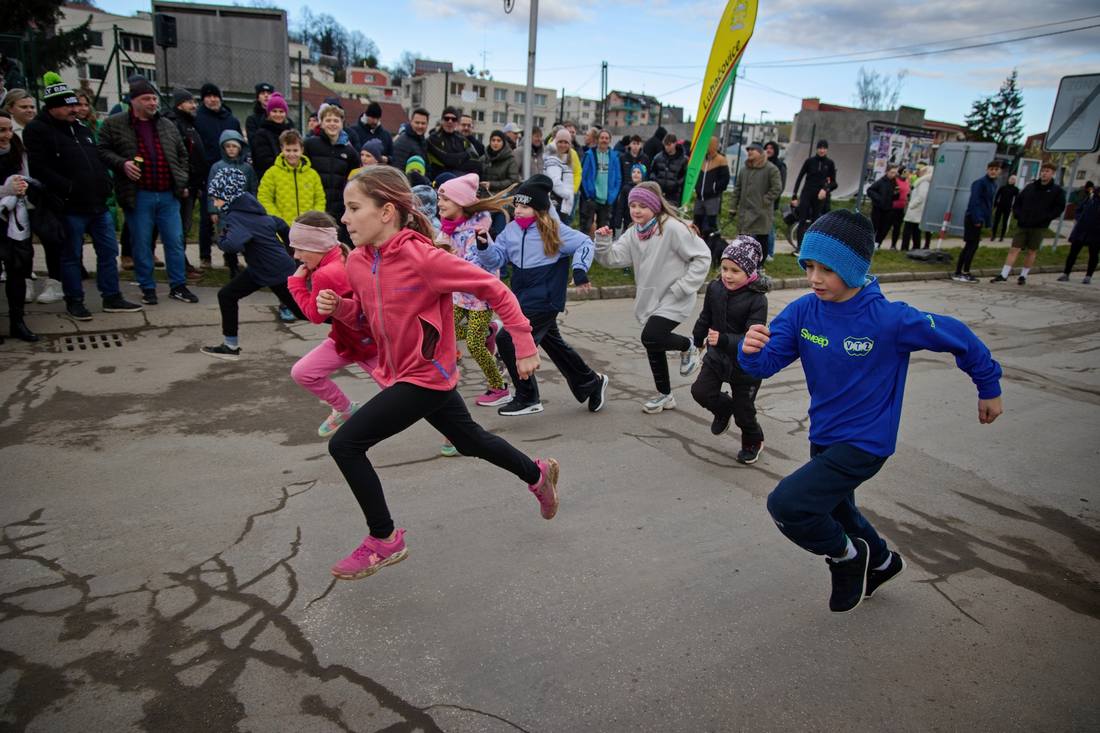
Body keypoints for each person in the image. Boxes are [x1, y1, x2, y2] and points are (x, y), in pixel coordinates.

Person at [738, 209, 1004, 613]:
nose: (814, 278)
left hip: (866, 442)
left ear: (853, 268)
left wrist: (988, 386)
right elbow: (765, 364)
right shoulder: (804, 311)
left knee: (788, 505)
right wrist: (751, 350)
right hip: (823, 436)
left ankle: (847, 557)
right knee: (839, 510)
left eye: (827, 269)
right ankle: (882, 563)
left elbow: (959, 336)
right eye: (809, 266)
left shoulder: (889, 320)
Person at [315, 165, 561, 580]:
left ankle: (384, 538)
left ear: (386, 211)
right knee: (470, 440)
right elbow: (367, 314)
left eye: (354, 208)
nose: (345, 218)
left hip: (424, 375)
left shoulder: (424, 258)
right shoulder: (357, 262)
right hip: (404, 373)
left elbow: (494, 289)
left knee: (346, 444)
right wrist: (340, 308)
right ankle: (537, 474)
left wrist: (523, 342)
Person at [475, 174, 609, 417]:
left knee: (508, 339)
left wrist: (579, 270)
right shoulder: (511, 231)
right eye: (516, 205)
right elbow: (497, 259)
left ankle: (528, 397)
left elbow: (585, 243)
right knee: (553, 343)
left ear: (539, 209)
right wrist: (484, 246)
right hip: (522, 297)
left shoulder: (554, 230)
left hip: (546, 298)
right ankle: (591, 382)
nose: (518, 211)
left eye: (525, 207)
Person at [24, 73, 144, 320]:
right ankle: (75, 300)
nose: (74, 109)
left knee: (108, 252)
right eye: (68, 106)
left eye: (75, 105)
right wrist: (68, 188)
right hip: (69, 206)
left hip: (97, 203)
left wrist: (106, 183)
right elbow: (39, 168)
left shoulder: (81, 128)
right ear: (52, 107)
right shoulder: (38, 130)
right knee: (71, 256)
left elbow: (96, 157)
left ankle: (112, 296)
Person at [594, 182, 710, 413]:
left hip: (675, 296)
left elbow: (703, 256)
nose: (636, 211)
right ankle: (665, 395)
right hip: (651, 298)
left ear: (655, 207)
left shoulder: (672, 228)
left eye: (642, 206)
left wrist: (683, 286)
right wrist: (603, 242)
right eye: (633, 206)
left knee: (651, 336)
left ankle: (688, 346)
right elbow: (614, 259)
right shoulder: (634, 232)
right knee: (653, 343)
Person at [287, 210, 378, 436]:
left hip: (368, 345)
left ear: (317, 245)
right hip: (346, 340)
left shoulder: (325, 273)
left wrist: (296, 284)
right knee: (303, 372)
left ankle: (453, 430)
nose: (296, 255)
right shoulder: (342, 255)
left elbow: (315, 316)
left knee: (409, 397)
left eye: (300, 248)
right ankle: (345, 409)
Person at [199, 167, 304, 360]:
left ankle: (353, 326)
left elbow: (233, 245)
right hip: (261, 269)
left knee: (304, 312)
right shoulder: (251, 209)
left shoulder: (236, 216)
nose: (214, 203)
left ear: (227, 196)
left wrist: (221, 237)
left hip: (276, 271)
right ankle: (230, 346)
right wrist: (291, 250)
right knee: (227, 295)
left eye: (216, 198)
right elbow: (278, 223)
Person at [436, 173, 512, 414]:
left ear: (461, 202)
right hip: (459, 295)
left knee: (474, 344)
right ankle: (490, 331)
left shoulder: (475, 233)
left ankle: (499, 387)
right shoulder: (448, 228)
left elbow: (471, 267)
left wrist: (446, 261)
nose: (440, 204)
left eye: (445, 199)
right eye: (439, 198)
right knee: (444, 331)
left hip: (480, 298)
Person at [690, 237, 769, 463]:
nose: (727, 275)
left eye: (735, 270)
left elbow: (752, 337)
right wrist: (697, 338)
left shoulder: (758, 300)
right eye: (724, 268)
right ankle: (724, 409)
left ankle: (753, 440)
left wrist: (724, 339)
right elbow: (706, 316)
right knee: (701, 391)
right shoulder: (715, 288)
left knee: (744, 412)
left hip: (746, 365)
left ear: (750, 271)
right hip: (717, 357)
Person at [990, 162, 1065, 285]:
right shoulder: (1030, 187)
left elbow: (1059, 207)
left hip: (1039, 226)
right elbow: (1018, 202)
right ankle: (1003, 274)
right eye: (1043, 171)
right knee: (1014, 248)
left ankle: (1023, 276)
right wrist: (1018, 215)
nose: (1044, 173)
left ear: (1053, 174)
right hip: (1023, 223)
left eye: (1047, 171)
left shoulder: (1057, 191)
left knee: (1031, 251)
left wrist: (1046, 218)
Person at [194, 82, 241, 270]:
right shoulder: (198, 119)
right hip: (209, 173)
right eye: (209, 96)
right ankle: (205, 255)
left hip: (232, 173)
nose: (213, 100)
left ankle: (230, 255)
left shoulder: (230, 119)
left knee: (231, 218)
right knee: (209, 217)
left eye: (215, 96)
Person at [0, 109, 39, 341]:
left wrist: (24, 187)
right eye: (1, 130)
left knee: (17, 271)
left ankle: (18, 321)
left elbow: (26, 175)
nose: (6, 135)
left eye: (8, 130)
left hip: (15, 220)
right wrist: (5, 190)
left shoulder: (17, 149)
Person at [164, 88, 206, 275]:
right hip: (183, 186)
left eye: (194, 102)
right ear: (180, 104)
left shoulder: (190, 124)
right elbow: (178, 157)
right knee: (179, 228)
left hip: (194, 184)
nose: (194, 105)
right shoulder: (175, 124)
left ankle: (181, 262)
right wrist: (183, 183)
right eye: (190, 102)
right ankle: (179, 265)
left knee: (185, 227)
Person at [207, 129, 258, 277]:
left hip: (244, 211)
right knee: (228, 240)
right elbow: (213, 190)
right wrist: (213, 211)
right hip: (224, 211)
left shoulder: (247, 168)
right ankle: (233, 268)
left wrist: (254, 207)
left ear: (240, 148)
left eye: (234, 146)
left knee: (246, 240)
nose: (231, 149)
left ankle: (252, 269)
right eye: (228, 146)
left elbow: (253, 188)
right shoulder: (217, 167)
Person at [305, 104, 358, 231]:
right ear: (321, 123)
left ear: (342, 123)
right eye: (328, 120)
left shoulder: (350, 152)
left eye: (336, 120)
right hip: (314, 205)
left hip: (339, 209)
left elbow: (354, 180)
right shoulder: (310, 145)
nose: (332, 124)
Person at [257, 129, 327, 224]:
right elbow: (264, 198)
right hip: (281, 228)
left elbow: (320, 199)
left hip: (308, 226)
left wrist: (313, 219)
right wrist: (279, 221)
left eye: (295, 150)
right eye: (288, 150)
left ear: (302, 150)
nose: (292, 154)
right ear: (282, 149)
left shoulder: (312, 174)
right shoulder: (271, 173)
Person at [951, 160, 1002, 283]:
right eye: (991, 169)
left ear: (999, 171)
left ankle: (961, 271)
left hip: (980, 218)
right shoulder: (980, 183)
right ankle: (962, 272)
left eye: (996, 169)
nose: (993, 172)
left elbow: (988, 204)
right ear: (987, 170)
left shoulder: (993, 184)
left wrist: (987, 221)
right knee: (971, 245)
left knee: (972, 245)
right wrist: (977, 218)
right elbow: (974, 202)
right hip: (973, 218)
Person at [728, 142, 780, 257]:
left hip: (762, 213)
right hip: (744, 212)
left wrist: (764, 201)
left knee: (761, 240)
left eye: (753, 149)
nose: (749, 152)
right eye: (748, 150)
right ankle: (742, 260)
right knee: (742, 239)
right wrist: (733, 207)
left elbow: (777, 188)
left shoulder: (771, 169)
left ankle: (760, 263)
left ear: (760, 152)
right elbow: (737, 189)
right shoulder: (744, 170)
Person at [791, 140, 837, 240]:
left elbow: (834, 183)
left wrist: (825, 189)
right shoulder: (809, 161)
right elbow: (800, 177)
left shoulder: (830, 163)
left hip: (819, 196)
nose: (822, 150)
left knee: (816, 221)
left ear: (827, 150)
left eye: (824, 148)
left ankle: (812, 244)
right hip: (807, 193)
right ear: (817, 149)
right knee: (802, 220)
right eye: (820, 148)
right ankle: (800, 246)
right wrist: (794, 195)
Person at [580, 129, 622, 235]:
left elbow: (618, 178)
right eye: (602, 138)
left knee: (603, 231)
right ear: (597, 139)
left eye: (606, 138)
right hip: (592, 198)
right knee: (586, 228)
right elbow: (583, 176)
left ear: (610, 140)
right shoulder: (589, 155)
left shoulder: (614, 157)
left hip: (607, 199)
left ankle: (599, 247)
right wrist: (587, 196)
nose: (604, 140)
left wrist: (612, 196)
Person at [1059, 183, 1098, 284]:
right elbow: (1079, 209)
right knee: (1073, 252)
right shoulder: (1090, 198)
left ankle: (1088, 276)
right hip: (1081, 229)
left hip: (1096, 232)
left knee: (1093, 254)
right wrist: (1078, 218)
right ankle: (1066, 273)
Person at [427, 105, 482, 179]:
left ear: (457, 122)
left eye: (454, 119)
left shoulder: (461, 138)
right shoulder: (433, 138)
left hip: (459, 175)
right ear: (442, 121)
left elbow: (476, 161)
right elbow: (448, 160)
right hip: (440, 176)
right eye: (447, 118)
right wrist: (465, 155)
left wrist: (458, 159)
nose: (450, 121)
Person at [249, 92, 293, 180]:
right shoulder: (261, 134)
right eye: (274, 111)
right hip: (269, 178)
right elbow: (263, 160)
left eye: (281, 111)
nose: (278, 114)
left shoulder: (291, 133)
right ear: (269, 113)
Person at [693, 136, 730, 238]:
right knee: (697, 223)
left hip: (712, 198)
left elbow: (725, 179)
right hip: (699, 197)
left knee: (711, 224)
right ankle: (697, 242)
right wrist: (696, 187)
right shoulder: (702, 159)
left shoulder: (721, 160)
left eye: (708, 144)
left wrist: (714, 188)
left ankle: (711, 243)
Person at [543, 127, 575, 219]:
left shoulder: (566, 158)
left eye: (566, 142)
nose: (563, 145)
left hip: (562, 202)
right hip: (555, 202)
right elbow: (555, 182)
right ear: (555, 142)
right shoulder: (553, 159)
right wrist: (568, 195)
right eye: (560, 142)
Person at [763, 141, 786, 260]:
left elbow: (780, 186)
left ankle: (769, 252)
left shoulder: (780, 165)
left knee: (769, 227)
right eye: (767, 148)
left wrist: (770, 198)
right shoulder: (762, 163)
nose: (768, 150)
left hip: (771, 202)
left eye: (771, 148)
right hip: (758, 201)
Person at [902, 163, 933, 251]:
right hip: (917, 210)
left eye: (922, 171)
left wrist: (911, 205)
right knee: (916, 230)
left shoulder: (924, 182)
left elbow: (921, 197)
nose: (919, 172)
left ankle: (905, 248)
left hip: (915, 210)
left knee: (908, 230)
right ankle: (916, 247)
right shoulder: (924, 182)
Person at [866, 165, 900, 247]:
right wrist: (878, 198)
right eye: (892, 172)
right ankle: (869, 243)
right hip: (878, 208)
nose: (893, 175)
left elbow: (895, 197)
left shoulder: (894, 183)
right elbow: (870, 190)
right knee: (874, 226)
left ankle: (878, 243)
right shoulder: (881, 181)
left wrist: (896, 194)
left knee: (884, 227)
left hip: (888, 208)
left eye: (895, 173)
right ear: (887, 172)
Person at [650, 133, 687, 204]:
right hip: (659, 192)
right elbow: (652, 171)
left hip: (674, 194)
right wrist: (655, 181)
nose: (667, 147)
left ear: (675, 143)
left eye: (669, 145)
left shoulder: (683, 160)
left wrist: (676, 184)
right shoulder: (658, 157)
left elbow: (684, 176)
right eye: (665, 145)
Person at [482, 129, 521, 194]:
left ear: (503, 143)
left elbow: (513, 181)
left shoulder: (510, 159)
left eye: (499, 140)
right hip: (483, 195)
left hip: (502, 196)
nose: (495, 143)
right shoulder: (483, 158)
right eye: (493, 140)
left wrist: (491, 184)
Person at [391, 107, 429, 172]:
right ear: (411, 122)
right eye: (417, 123)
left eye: (423, 123)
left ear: (427, 124)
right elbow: (398, 170)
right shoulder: (402, 142)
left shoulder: (422, 141)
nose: (420, 126)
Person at [992, 173, 1019, 242]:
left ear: (1015, 181)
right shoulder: (1003, 187)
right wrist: (995, 204)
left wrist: (1014, 207)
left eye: (1013, 179)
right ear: (1008, 179)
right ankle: (993, 235)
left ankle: (1002, 236)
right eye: (1011, 179)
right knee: (996, 221)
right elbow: (997, 196)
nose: (1012, 180)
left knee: (1005, 222)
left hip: (1008, 207)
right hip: (1000, 206)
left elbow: (1017, 199)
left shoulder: (1015, 189)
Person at [888, 165, 910, 249]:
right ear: (900, 172)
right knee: (886, 226)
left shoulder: (907, 182)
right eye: (905, 172)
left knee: (897, 228)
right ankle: (877, 243)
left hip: (901, 208)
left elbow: (907, 193)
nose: (907, 173)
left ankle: (893, 245)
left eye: (908, 172)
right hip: (892, 207)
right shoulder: (895, 181)